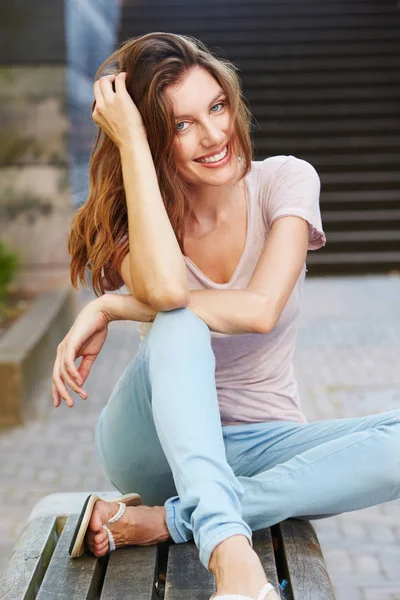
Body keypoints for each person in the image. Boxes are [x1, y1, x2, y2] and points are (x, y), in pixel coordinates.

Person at [52, 32, 400, 600]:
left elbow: (260, 310)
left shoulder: (285, 180)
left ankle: (172, 521)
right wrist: (134, 144)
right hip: (155, 443)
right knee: (181, 319)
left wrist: (112, 304)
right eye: (181, 124)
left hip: (263, 442)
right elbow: (167, 292)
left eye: (217, 107)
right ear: (152, 139)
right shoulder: (137, 224)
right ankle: (232, 563)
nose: (215, 135)